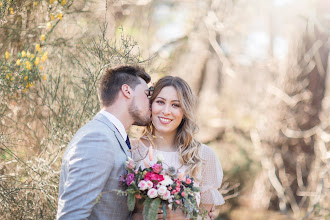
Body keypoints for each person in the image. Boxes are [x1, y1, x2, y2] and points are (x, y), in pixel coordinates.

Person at [56, 65, 152, 219]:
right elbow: (72, 215)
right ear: (127, 91)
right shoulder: (97, 138)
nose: (151, 102)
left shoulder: (114, 137)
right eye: (147, 94)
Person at [131, 76, 225, 220]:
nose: (166, 111)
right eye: (160, 102)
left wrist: (183, 217)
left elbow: (205, 216)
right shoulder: (130, 150)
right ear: (150, 105)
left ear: (184, 111)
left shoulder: (203, 156)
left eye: (176, 105)